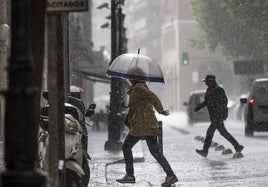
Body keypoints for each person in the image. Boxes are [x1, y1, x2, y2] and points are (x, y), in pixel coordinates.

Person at [116, 70, 178, 186]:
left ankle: (130, 175)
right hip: (145, 124)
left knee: (126, 147)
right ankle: (170, 175)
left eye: (130, 77)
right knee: (155, 151)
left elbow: (153, 97)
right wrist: (127, 119)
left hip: (143, 124)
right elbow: (135, 107)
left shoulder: (139, 88)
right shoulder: (137, 89)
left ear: (135, 78)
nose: (129, 79)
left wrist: (160, 110)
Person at [194, 74, 244, 157]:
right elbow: (207, 101)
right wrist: (198, 107)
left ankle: (205, 151)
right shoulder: (210, 90)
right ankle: (237, 146)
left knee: (210, 132)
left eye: (207, 82)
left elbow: (224, 101)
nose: (205, 83)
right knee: (223, 133)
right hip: (215, 115)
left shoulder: (218, 90)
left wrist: (219, 111)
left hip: (217, 116)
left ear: (211, 82)